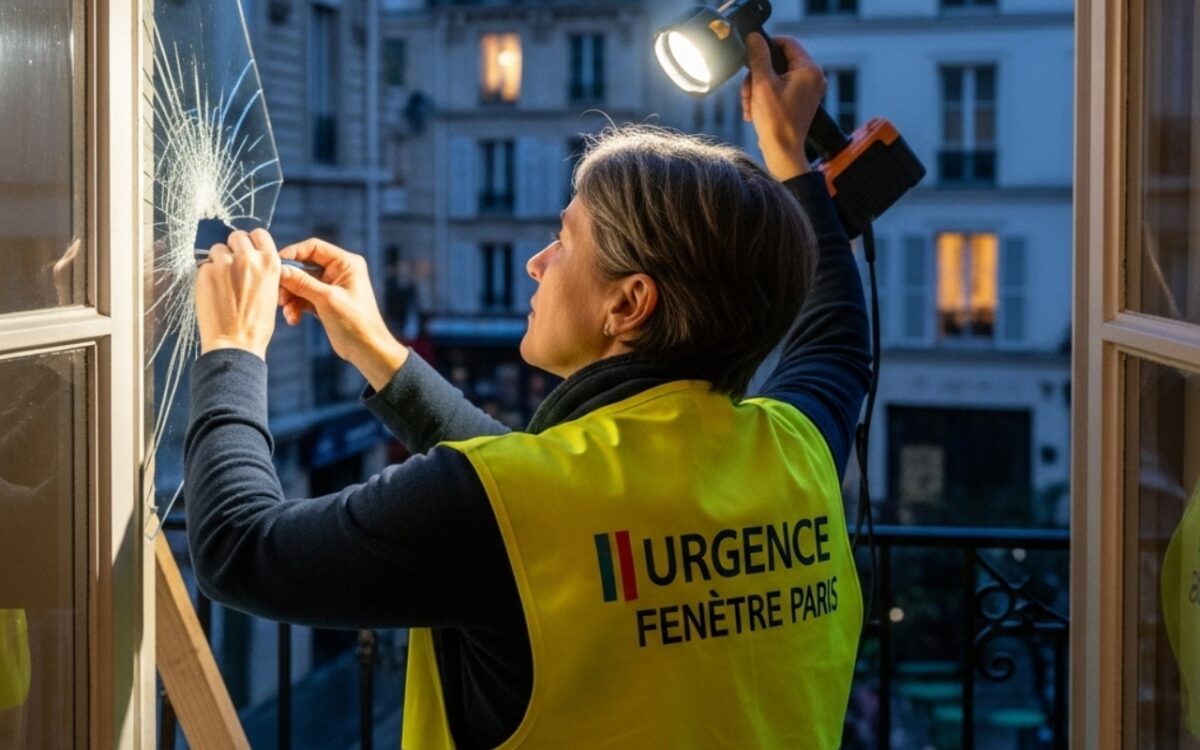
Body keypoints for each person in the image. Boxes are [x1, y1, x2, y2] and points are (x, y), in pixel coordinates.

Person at [186, 34, 870, 749]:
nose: (537, 265)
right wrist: (380, 354)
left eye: (566, 240)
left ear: (629, 304)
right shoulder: (800, 451)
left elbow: (239, 548)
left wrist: (232, 347)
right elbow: (839, 338)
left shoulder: (494, 505)